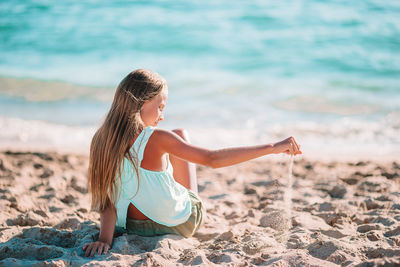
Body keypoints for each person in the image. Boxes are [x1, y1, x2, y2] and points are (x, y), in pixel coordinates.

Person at [82, 69, 301, 257]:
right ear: (141, 102)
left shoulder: (101, 140)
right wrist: (272, 147)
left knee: (171, 139)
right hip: (178, 223)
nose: (162, 116)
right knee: (179, 135)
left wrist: (105, 240)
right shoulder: (157, 138)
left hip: (128, 226)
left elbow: (107, 199)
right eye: (160, 107)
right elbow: (212, 159)